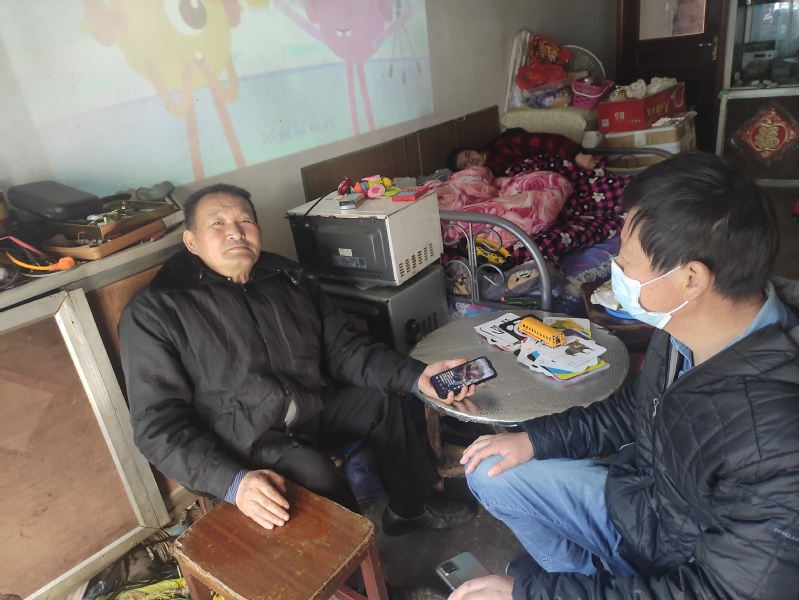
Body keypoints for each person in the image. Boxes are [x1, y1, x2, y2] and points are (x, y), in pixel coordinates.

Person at [453, 152, 799, 599]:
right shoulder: (684, 327)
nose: (615, 266)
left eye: (626, 258)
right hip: (642, 505)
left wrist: (531, 594)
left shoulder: (776, 439)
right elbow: (639, 408)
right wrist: (535, 440)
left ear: (692, 279)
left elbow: (716, 592)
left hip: (682, 567)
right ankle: (588, 576)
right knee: (490, 469)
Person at [119, 183, 476, 536]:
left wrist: (417, 376)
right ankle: (357, 565)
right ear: (191, 241)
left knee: (383, 400)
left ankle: (409, 510)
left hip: (309, 407)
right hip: (244, 440)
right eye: (217, 223)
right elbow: (157, 426)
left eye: (245, 221)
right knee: (315, 471)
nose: (236, 232)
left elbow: (345, 349)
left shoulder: (289, 280)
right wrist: (232, 482)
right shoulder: (155, 311)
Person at [446, 129, 598, 176]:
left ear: (475, 150)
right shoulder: (481, 182)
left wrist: (576, 155)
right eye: (465, 164)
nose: (471, 160)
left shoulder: (503, 146)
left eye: (468, 154)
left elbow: (547, 141)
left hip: (562, 174)